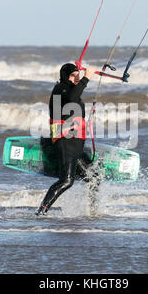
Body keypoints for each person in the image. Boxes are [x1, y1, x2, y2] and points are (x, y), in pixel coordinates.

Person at [36, 63, 101, 216]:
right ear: (65, 76)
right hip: (65, 140)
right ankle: (41, 213)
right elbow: (72, 97)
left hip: (75, 143)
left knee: (94, 178)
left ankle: (93, 213)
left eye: (78, 75)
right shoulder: (60, 89)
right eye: (73, 75)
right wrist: (87, 77)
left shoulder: (70, 91)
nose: (77, 78)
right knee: (66, 181)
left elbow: (74, 102)